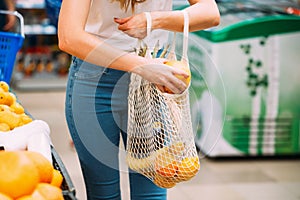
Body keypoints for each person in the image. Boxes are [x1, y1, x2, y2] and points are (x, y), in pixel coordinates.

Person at [57, 0, 220, 199]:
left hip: (152, 84)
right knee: (103, 193)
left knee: (152, 191)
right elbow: (69, 37)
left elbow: (210, 13)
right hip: (95, 82)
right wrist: (140, 66)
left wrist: (154, 19)